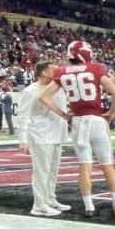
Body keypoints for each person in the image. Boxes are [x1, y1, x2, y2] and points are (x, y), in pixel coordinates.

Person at [53, 40, 115, 218]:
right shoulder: (95, 68)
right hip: (96, 120)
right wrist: (110, 113)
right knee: (107, 165)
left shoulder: (61, 71)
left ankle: (89, 206)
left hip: (77, 122)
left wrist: (63, 114)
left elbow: (43, 97)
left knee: (84, 166)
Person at [15, 60, 72, 216]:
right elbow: (23, 116)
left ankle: (50, 199)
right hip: (40, 134)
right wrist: (23, 139)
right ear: (43, 72)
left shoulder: (58, 89)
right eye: (53, 69)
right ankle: (38, 205)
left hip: (57, 134)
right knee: (41, 171)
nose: (57, 70)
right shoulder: (30, 91)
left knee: (53, 170)